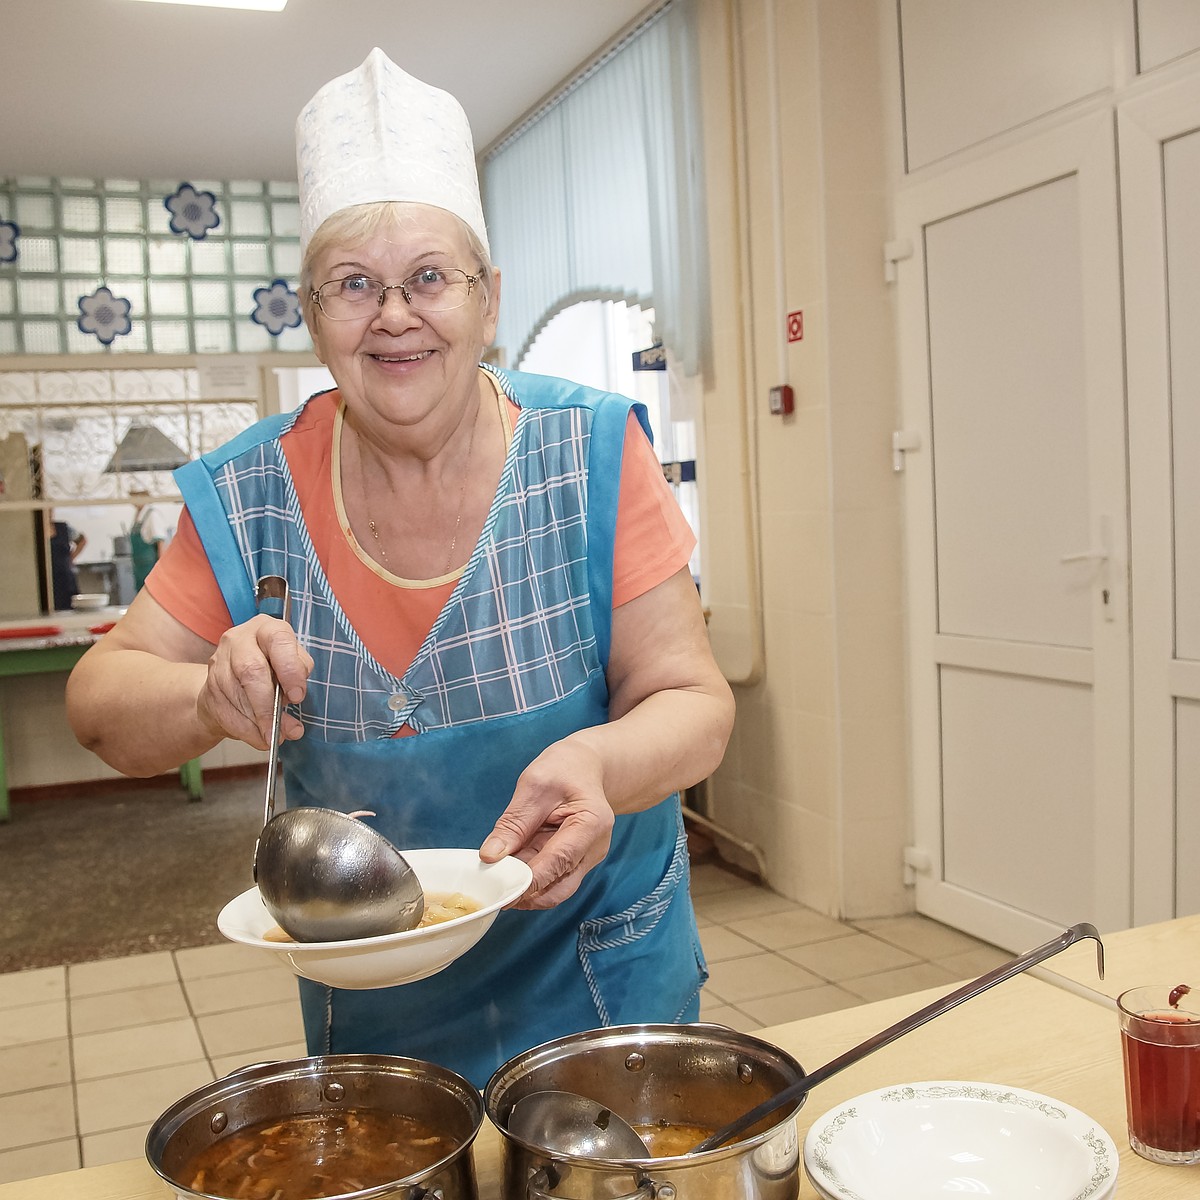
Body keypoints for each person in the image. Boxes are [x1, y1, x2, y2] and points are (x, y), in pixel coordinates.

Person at [66, 48, 734, 1088]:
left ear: (488, 298)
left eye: (430, 277)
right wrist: (206, 693)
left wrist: (605, 767)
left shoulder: (592, 453)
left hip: (603, 985)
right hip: (381, 1007)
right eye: (353, 285)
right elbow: (102, 705)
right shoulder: (247, 497)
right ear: (309, 310)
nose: (394, 315)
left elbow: (693, 700)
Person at [128, 487, 168, 591]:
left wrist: (162, 571)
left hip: (150, 567)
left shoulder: (152, 515)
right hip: (139, 568)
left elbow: (160, 544)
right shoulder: (138, 515)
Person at [49, 516, 86, 610]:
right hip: (48, 578)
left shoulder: (63, 528)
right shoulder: (35, 528)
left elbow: (82, 540)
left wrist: (71, 558)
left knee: (70, 606)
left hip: (65, 577)